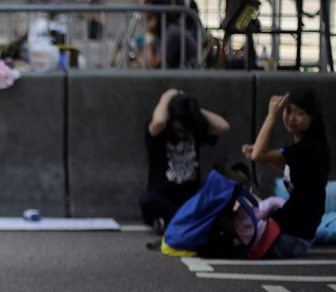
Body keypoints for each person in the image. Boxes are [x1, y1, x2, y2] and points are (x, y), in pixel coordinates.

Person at [243, 88, 330, 258]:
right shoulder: (311, 147)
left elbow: (258, 155)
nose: (291, 118)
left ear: (312, 117)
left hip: (290, 238)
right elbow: (274, 160)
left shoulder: (308, 149)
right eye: (288, 111)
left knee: (231, 223)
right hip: (296, 234)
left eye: (300, 113)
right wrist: (259, 152)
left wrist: (271, 117)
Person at [140, 89, 230, 234]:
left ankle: (177, 222)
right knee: (147, 200)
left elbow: (223, 126)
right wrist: (167, 97)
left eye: (185, 132)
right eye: (178, 130)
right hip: (164, 196)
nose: (182, 135)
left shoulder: (194, 129)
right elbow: (158, 122)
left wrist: (194, 109)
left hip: (190, 197)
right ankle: (191, 221)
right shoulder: (160, 132)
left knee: (219, 193)